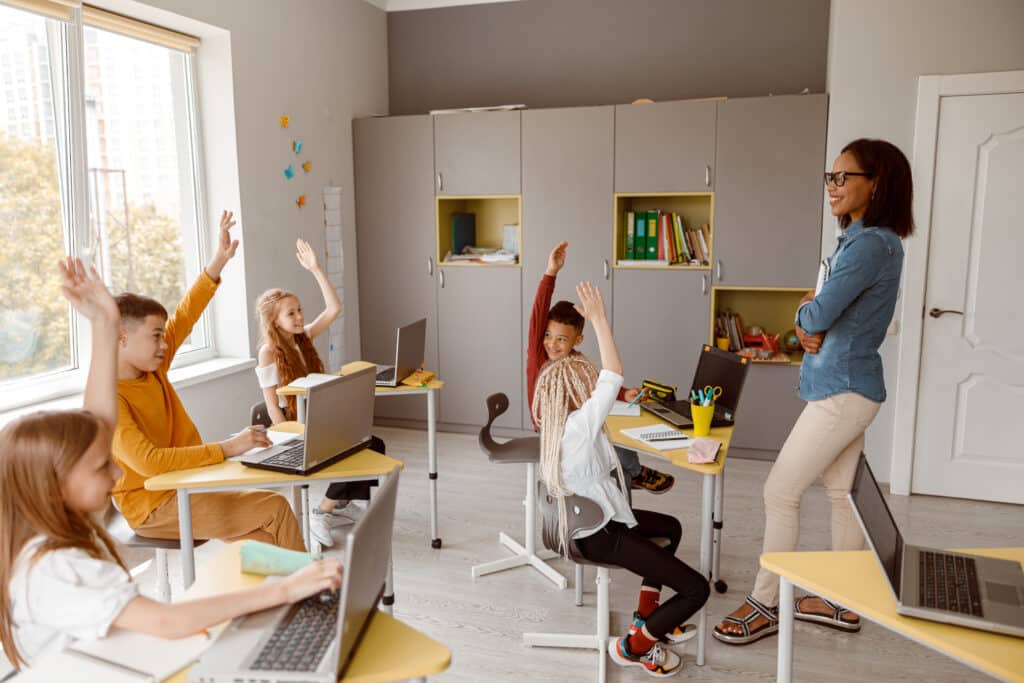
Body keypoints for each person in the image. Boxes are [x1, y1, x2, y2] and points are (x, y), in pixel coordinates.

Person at [0, 258, 341, 672]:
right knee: (268, 519)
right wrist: (286, 590)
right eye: (98, 467)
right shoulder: (56, 569)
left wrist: (104, 324)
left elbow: (100, 422)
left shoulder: (49, 533)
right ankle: (301, 612)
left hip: (109, 655)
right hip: (157, 507)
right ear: (52, 484)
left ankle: (289, 625)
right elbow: (166, 621)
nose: (114, 472)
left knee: (260, 530)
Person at [714, 138, 914, 645]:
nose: (833, 186)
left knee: (779, 490)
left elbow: (818, 312)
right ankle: (840, 602)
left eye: (844, 177)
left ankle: (766, 602)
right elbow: (821, 307)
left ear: (878, 183)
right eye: (831, 176)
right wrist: (812, 312)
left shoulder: (870, 244)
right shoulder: (867, 239)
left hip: (841, 392)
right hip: (850, 385)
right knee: (841, 494)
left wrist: (806, 313)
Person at [533, 281, 709, 677]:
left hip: (580, 520)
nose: (592, 387)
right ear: (578, 387)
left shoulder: (553, 423)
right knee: (696, 589)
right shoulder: (578, 427)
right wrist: (599, 321)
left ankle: (645, 620)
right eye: (587, 383)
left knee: (671, 528)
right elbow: (613, 373)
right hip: (596, 532)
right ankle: (635, 646)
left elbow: (607, 384)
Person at [112, 211, 304, 550]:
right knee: (275, 507)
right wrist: (229, 448)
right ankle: (313, 601)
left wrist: (218, 261)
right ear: (121, 339)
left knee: (262, 538)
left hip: (186, 484)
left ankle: (277, 600)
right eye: (155, 336)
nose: (164, 344)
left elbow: (185, 316)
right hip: (154, 505)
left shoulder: (153, 366)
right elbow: (149, 463)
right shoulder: (109, 399)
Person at [254, 238, 385, 548]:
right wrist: (294, 436)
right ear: (274, 321)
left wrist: (315, 268)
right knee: (366, 447)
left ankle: (337, 503)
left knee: (374, 445)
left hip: (321, 420)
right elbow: (272, 407)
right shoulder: (268, 352)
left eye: (299, 310)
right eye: (290, 314)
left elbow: (335, 308)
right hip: (298, 427)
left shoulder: (305, 338)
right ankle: (323, 511)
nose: (299, 317)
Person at [528, 241, 674, 494]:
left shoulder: (577, 362)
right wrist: (550, 272)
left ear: (577, 340)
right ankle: (634, 474)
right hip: (552, 430)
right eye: (548, 335)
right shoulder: (539, 356)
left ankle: (628, 478)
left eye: (562, 339)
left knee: (612, 420)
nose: (552, 343)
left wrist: (622, 393)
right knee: (604, 433)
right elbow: (538, 314)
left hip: (575, 424)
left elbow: (597, 387)